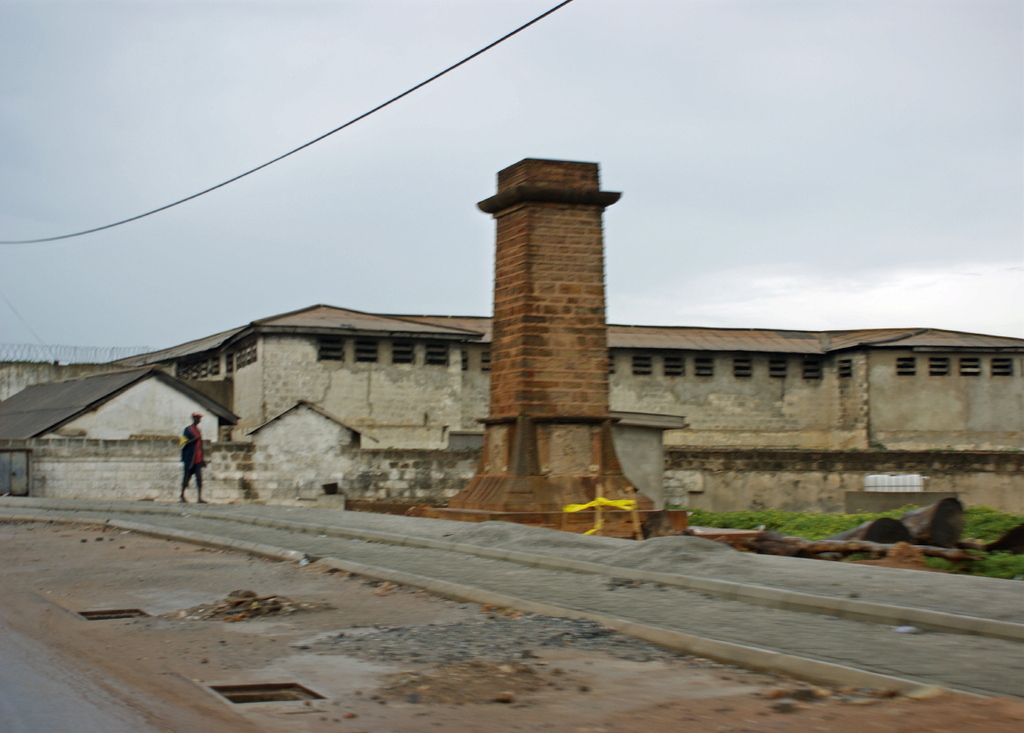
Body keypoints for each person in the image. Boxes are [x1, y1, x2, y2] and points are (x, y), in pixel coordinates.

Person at [180, 412, 207, 503]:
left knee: (199, 479)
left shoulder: (198, 431)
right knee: (186, 478)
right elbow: (182, 443)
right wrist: (193, 440)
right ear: (194, 419)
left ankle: (199, 498)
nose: (199, 420)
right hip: (189, 459)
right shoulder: (187, 430)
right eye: (198, 418)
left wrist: (203, 458)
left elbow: (200, 445)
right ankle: (182, 495)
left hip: (198, 459)